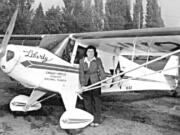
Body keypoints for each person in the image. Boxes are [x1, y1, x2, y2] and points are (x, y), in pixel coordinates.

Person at [79, 45, 106, 127]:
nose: (90, 53)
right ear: (86, 52)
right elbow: (81, 73)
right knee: (87, 102)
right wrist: (83, 85)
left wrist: (103, 79)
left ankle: (97, 119)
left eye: (92, 51)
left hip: (96, 82)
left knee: (96, 101)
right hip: (86, 82)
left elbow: (101, 70)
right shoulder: (82, 61)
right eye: (89, 51)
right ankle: (90, 119)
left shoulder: (98, 60)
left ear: (94, 53)